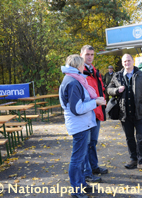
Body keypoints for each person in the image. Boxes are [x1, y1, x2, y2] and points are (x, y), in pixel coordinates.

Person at [60, 54, 105, 198]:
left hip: (82, 124)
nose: (84, 67)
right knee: (77, 159)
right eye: (82, 65)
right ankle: (76, 190)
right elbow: (77, 109)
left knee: (80, 157)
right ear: (78, 66)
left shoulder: (74, 79)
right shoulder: (73, 82)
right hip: (79, 125)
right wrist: (95, 102)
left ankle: (81, 185)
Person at [106, 54, 142, 173]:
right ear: (122, 63)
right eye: (124, 61)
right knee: (129, 138)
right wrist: (117, 90)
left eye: (129, 60)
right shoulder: (117, 75)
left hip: (140, 112)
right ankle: (133, 159)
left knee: (141, 138)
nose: (127, 63)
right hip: (124, 113)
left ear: (133, 61)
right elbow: (108, 89)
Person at [79, 45, 108, 183]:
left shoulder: (95, 71)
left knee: (93, 142)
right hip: (86, 112)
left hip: (96, 112)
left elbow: (100, 89)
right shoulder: (79, 72)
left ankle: (94, 167)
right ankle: (87, 173)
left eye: (92, 54)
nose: (90, 57)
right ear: (81, 55)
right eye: (87, 54)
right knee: (87, 143)